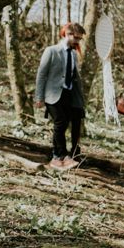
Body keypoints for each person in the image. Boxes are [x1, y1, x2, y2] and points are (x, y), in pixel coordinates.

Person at [35, 22, 86, 170]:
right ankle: (61, 156)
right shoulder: (51, 51)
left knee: (62, 125)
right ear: (68, 34)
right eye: (76, 38)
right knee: (60, 123)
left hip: (68, 95)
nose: (77, 41)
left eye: (79, 39)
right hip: (52, 94)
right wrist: (39, 97)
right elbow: (42, 74)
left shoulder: (74, 54)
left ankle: (57, 157)